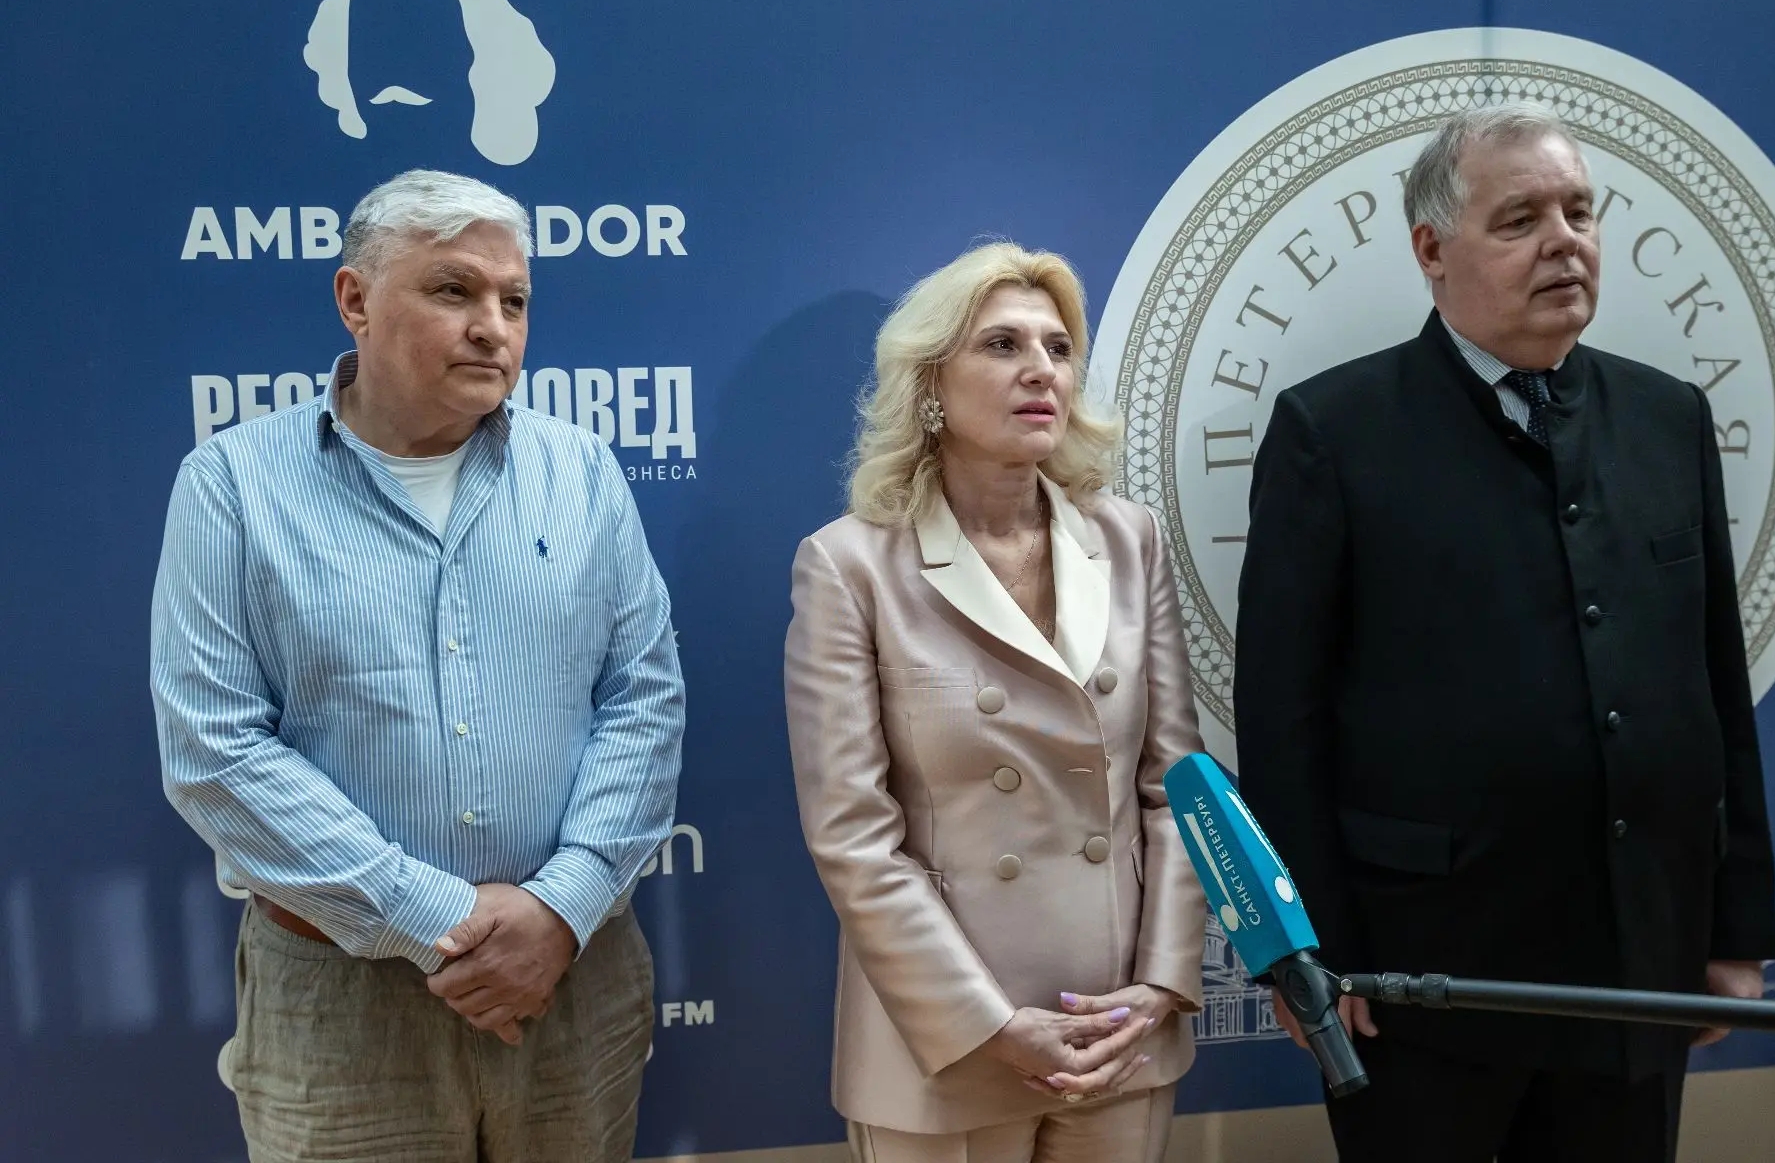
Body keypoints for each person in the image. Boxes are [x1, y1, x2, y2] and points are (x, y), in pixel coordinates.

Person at [1234, 103, 1775, 1162]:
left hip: (1636, 965)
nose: (1564, 242)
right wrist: (1308, 954)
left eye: (1580, 212)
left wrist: (1735, 925)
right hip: (1416, 979)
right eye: (1521, 219)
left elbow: (1715, 685)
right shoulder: (1332, 431)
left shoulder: (1669, 417)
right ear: (1431, 250)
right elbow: (1283, 720)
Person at [151, 169, 684, 1162]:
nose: (494, 327)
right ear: (355, 300)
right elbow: (214, 748)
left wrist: (560, 907)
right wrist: (435, 918)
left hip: (573, 977)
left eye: (515, 301)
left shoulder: (582, 473)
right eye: (454, 290)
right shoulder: (233, 485)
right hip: (344, 1000)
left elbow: (642, 698)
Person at [784, 243, 1208, 1162]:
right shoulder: (850, 565)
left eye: (1058, 348)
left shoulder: (1128, 540)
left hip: (1117, 1031)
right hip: (945, 1045)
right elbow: (854, 836)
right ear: (931, 382)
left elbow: (1177, 786)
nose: (1040, 370)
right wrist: (988, 1024)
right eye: (1003, 345)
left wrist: (1164, 985)